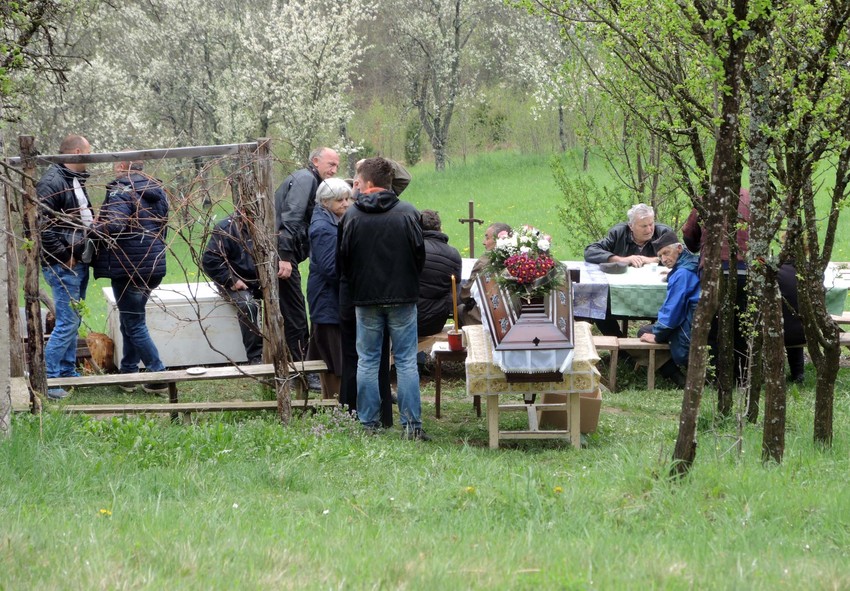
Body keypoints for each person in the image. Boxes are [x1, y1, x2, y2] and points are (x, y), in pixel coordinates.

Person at [338, 157, 427, 439]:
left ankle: (368, 424)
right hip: (402, 297)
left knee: (367, 361)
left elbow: (343, 261)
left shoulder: (352, 216)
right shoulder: (408, 212)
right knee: (405, 362)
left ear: (368, 183)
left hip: (365, 299)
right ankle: (412, 427)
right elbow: (419, 256)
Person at [92, 158, 170, 395]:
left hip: (129, 267)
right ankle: (128, 372)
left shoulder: (121, 189)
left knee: (134, 323)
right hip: (152, 264)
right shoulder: (157, 190)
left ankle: (159, 375)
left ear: (122, 166)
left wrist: (92, 227)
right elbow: (162, 225)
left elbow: (115, 225)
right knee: (130, 319)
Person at [275, 147, 339, 390]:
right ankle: (303, 371)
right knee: (296, 315)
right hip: (281, 255)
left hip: (285, 254)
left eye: (336, 166)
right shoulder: (305, 179)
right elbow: (290, 219)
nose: (333, 170)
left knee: (296, 312)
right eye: (330, 164)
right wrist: (285, 257)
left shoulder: (312, 180)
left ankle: (302, 369)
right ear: (315, 161)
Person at [36, 134, 94, 400]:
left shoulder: (73, 180)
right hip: (63, 264)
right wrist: (63, 256)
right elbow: (42, 225)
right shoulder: (52, 182)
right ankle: (47, 379)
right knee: (67, 321)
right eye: (89, 152)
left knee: (74, 319)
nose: (91, 157)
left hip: (78, 260)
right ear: (78, 152)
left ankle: (67, 371)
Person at [682, 188, 750, 383]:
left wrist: (697, 247)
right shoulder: (750, 199)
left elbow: (689, 233)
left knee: (712, 322)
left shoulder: (706, 198)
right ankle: (742, 376)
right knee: (741, 324)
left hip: (714, 268)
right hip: (744, 268)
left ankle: (714, 375)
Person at [584, 203, 673, 338]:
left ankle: (656, 341)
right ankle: (620, 346)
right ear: (631, 226)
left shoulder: (663, 233)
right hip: (620, 291)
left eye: (651, 224)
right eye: (644, 226)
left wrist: (654, 259)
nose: (649, 230)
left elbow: (681, 255)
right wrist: (620, 259)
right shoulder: (618, 233)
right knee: (599, 303)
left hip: (655, 292)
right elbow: (590, 251)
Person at [306, 178, 352, 399]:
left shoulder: (330, 220)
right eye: (339, 200)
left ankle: (335, 402)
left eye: (347, 199)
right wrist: (349, 287)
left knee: (333, 355)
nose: (345, 203)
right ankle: (337, 405)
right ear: (325, 202)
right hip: (328, 301)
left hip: (328, 299)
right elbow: (330, 268)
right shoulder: (324, 228)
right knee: (334, 358)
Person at [637, 232, 701, 387]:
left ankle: (678, 378)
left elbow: (672, 313)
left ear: (679, 248)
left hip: (688, 331)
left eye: (666, 253)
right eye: (660, 256)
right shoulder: (693, 264)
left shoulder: (682, 274)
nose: (664, 259)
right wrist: (672, 274)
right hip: (697, 324)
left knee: (643, 332)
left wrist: (658, 335)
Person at [201, 212, 264, 365]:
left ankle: (294, 352)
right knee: (247, 304)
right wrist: (232, 280)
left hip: (261, 279)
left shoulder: (266, 225)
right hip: (234, 281)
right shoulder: (226, 228)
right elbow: (210, 261)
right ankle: (256, 357)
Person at [417, 210, 462, 338]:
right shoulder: (453, 253)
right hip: (436, 321)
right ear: (440, 228)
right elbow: (455, 292)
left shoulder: (411, 249)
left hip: (408, 320)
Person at [458, 222, 512, 327]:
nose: (483, 242)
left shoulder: (485, 262)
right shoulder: (520, 260)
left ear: (498, 241)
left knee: (459, 309)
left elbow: (466, 295)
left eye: (487, 238)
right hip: (513, 315)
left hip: (488, 317)